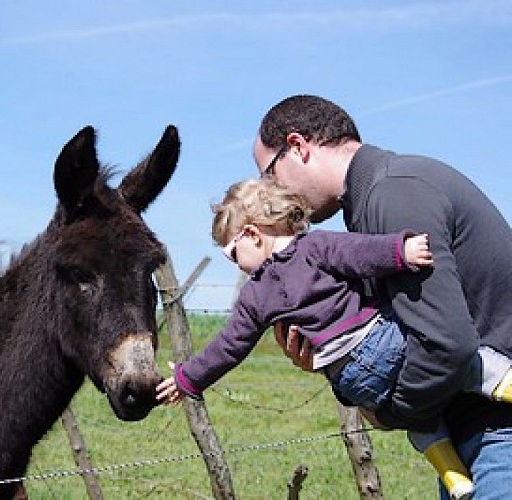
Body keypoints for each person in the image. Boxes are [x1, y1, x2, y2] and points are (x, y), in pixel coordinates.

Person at [155, 177, 512, 499]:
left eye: (232, 253)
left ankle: (453, 475)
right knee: (448, 347)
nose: (235, 264)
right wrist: (400, 251)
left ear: (252, 234)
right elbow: (360, 254)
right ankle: (502, 380)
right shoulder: (315, 247)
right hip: (380, 343)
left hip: (350, 380)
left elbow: (228, 347)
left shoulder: (255, 294)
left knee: (419, 414)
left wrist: (188, 378)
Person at [251, 95, 512, 499]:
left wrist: (388, 413)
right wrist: (330, 357)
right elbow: (390, 341)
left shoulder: (393, 196)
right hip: (480, 431)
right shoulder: (374, 204)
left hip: (500, 432)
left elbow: (447, 344)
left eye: (270, 176)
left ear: (299, 146)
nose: (272, 194)